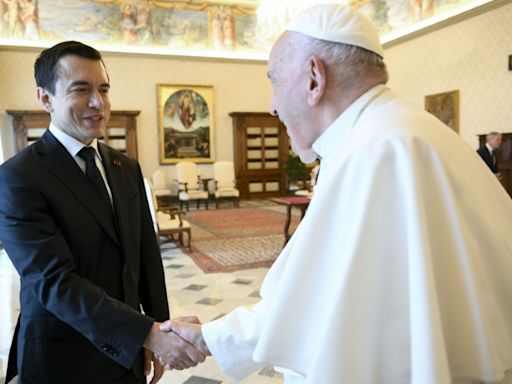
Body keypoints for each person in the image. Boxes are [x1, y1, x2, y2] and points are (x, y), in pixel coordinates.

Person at [162, 4, 512, 383]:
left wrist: (210, 337)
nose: (272, 106)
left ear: (314, 78)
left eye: (274, 82)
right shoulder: (408, 130)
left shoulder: (374, 152)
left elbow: (319, 309)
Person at [0, 41, 205, 384]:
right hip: (62, 359)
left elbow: (146, 258)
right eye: (81, 89)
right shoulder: (18, 177)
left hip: (127, 354)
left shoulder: (125, 166)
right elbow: (54, 282)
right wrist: (147, 333)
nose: (98, 103)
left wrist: (158, 328)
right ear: (45, 98)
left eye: (104, 89)